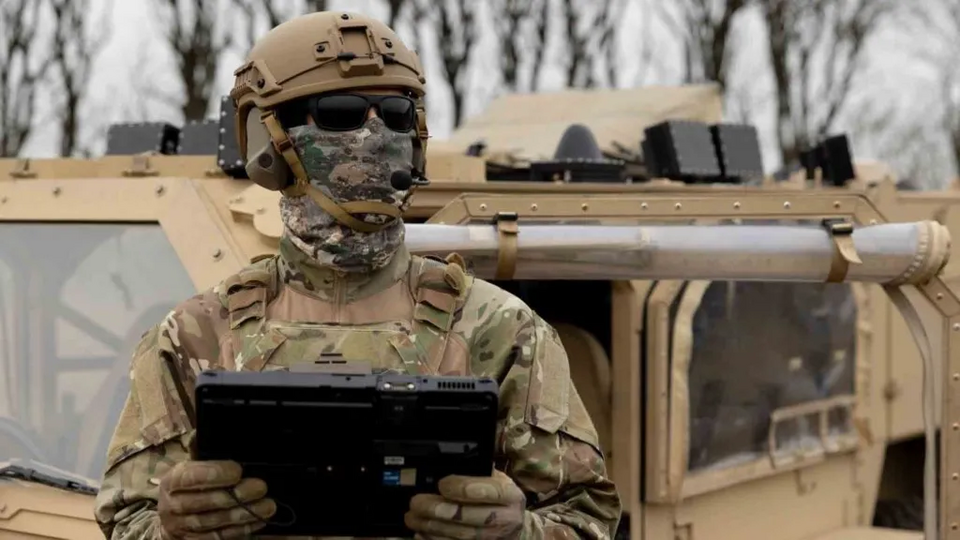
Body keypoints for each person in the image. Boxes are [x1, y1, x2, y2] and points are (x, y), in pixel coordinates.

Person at [93, 10, 621, 540]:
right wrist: (171, 530)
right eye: (340, 113)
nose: (375, 134)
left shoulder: (501, 330)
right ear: (269, 141)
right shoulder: (194, 335)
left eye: (395, 115)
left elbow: (585, 517)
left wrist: (519, 532)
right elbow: (127, 518)